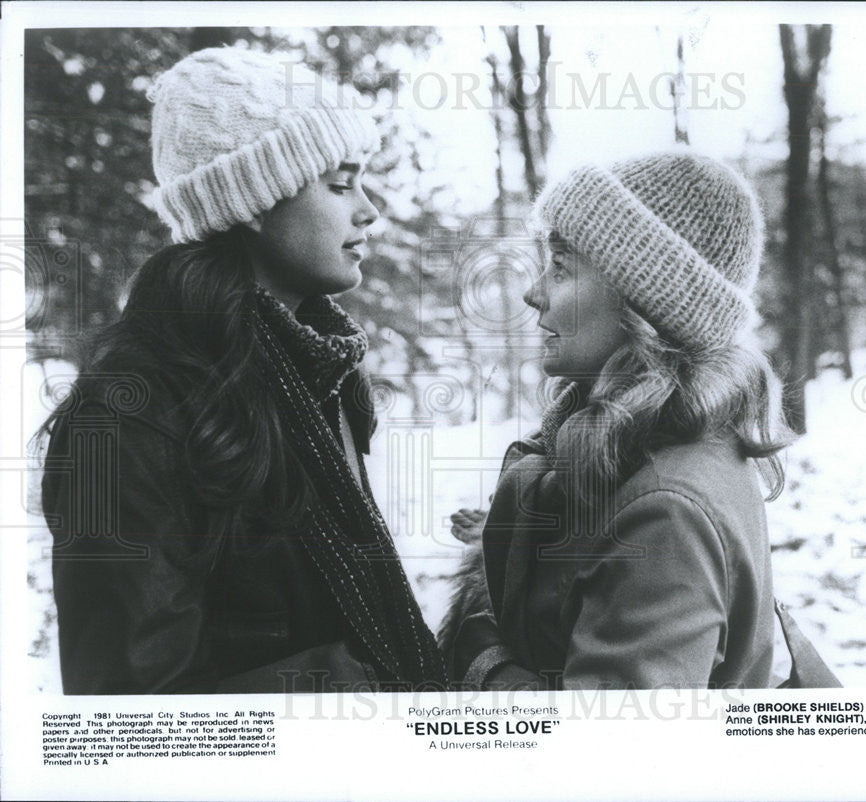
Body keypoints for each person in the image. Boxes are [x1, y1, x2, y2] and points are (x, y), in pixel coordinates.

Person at [39, 47, 446, 694]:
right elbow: (127, 713)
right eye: (339, 185)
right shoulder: (126, 410)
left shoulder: (314, 369)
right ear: (252, 200)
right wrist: (338, 689)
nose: (368, 209)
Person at [447, 151, 794, 690]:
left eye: (560, 266)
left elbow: (612, 756)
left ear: (643, 303)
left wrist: (483, 662)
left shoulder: (667, 511)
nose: (532, 292)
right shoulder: (637, 444)